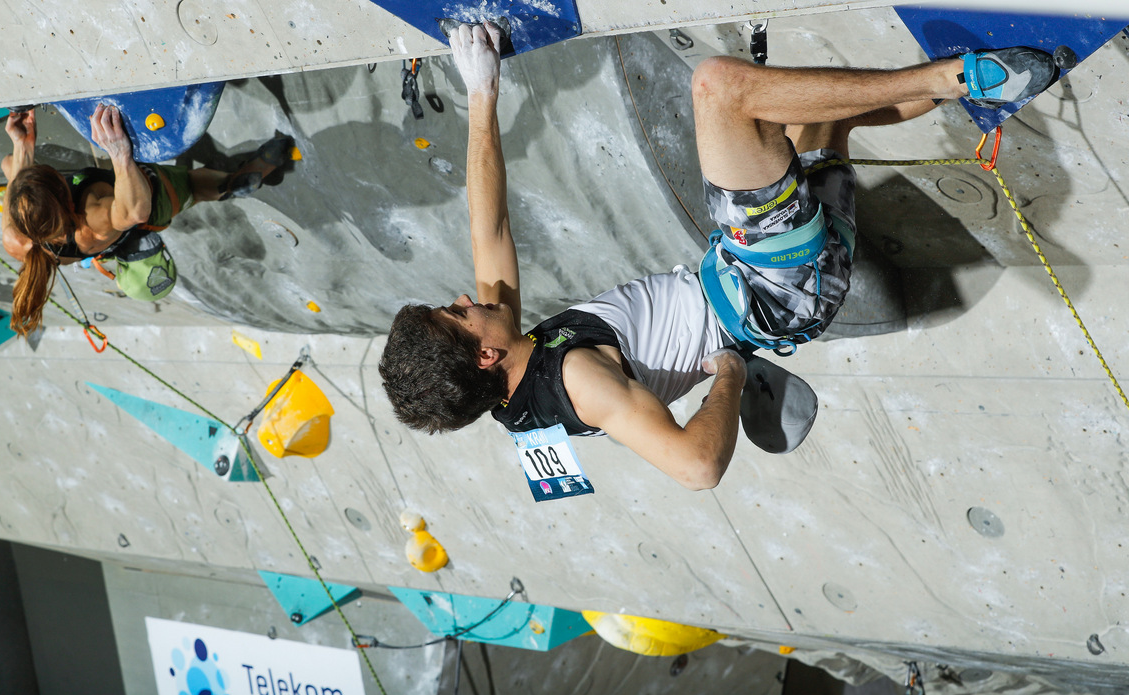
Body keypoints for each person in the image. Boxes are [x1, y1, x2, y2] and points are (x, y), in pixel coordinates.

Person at [379, 24, 1057, 490]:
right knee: (720, 91)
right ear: (484, 355)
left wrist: (482, 92)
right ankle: (961, 76)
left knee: (821, 116)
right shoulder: (580, 382)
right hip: (768, 284)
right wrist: (728, 375)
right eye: (457, 314)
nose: (467, 299)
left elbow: (488, 225)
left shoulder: (511, 389)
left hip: (784, 288)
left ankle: (995, 83)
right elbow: (696, 468)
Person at [1, 104, 292, 336]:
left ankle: (228, 184)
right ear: (65, 198)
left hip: (107, 230)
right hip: (150, 200)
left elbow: (17, 183)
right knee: (194, 186)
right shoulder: (94, 220)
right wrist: (119, 153)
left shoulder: (18, 239)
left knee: (8, 165)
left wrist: (22, 145)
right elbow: (135, 212)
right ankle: (230, 183)